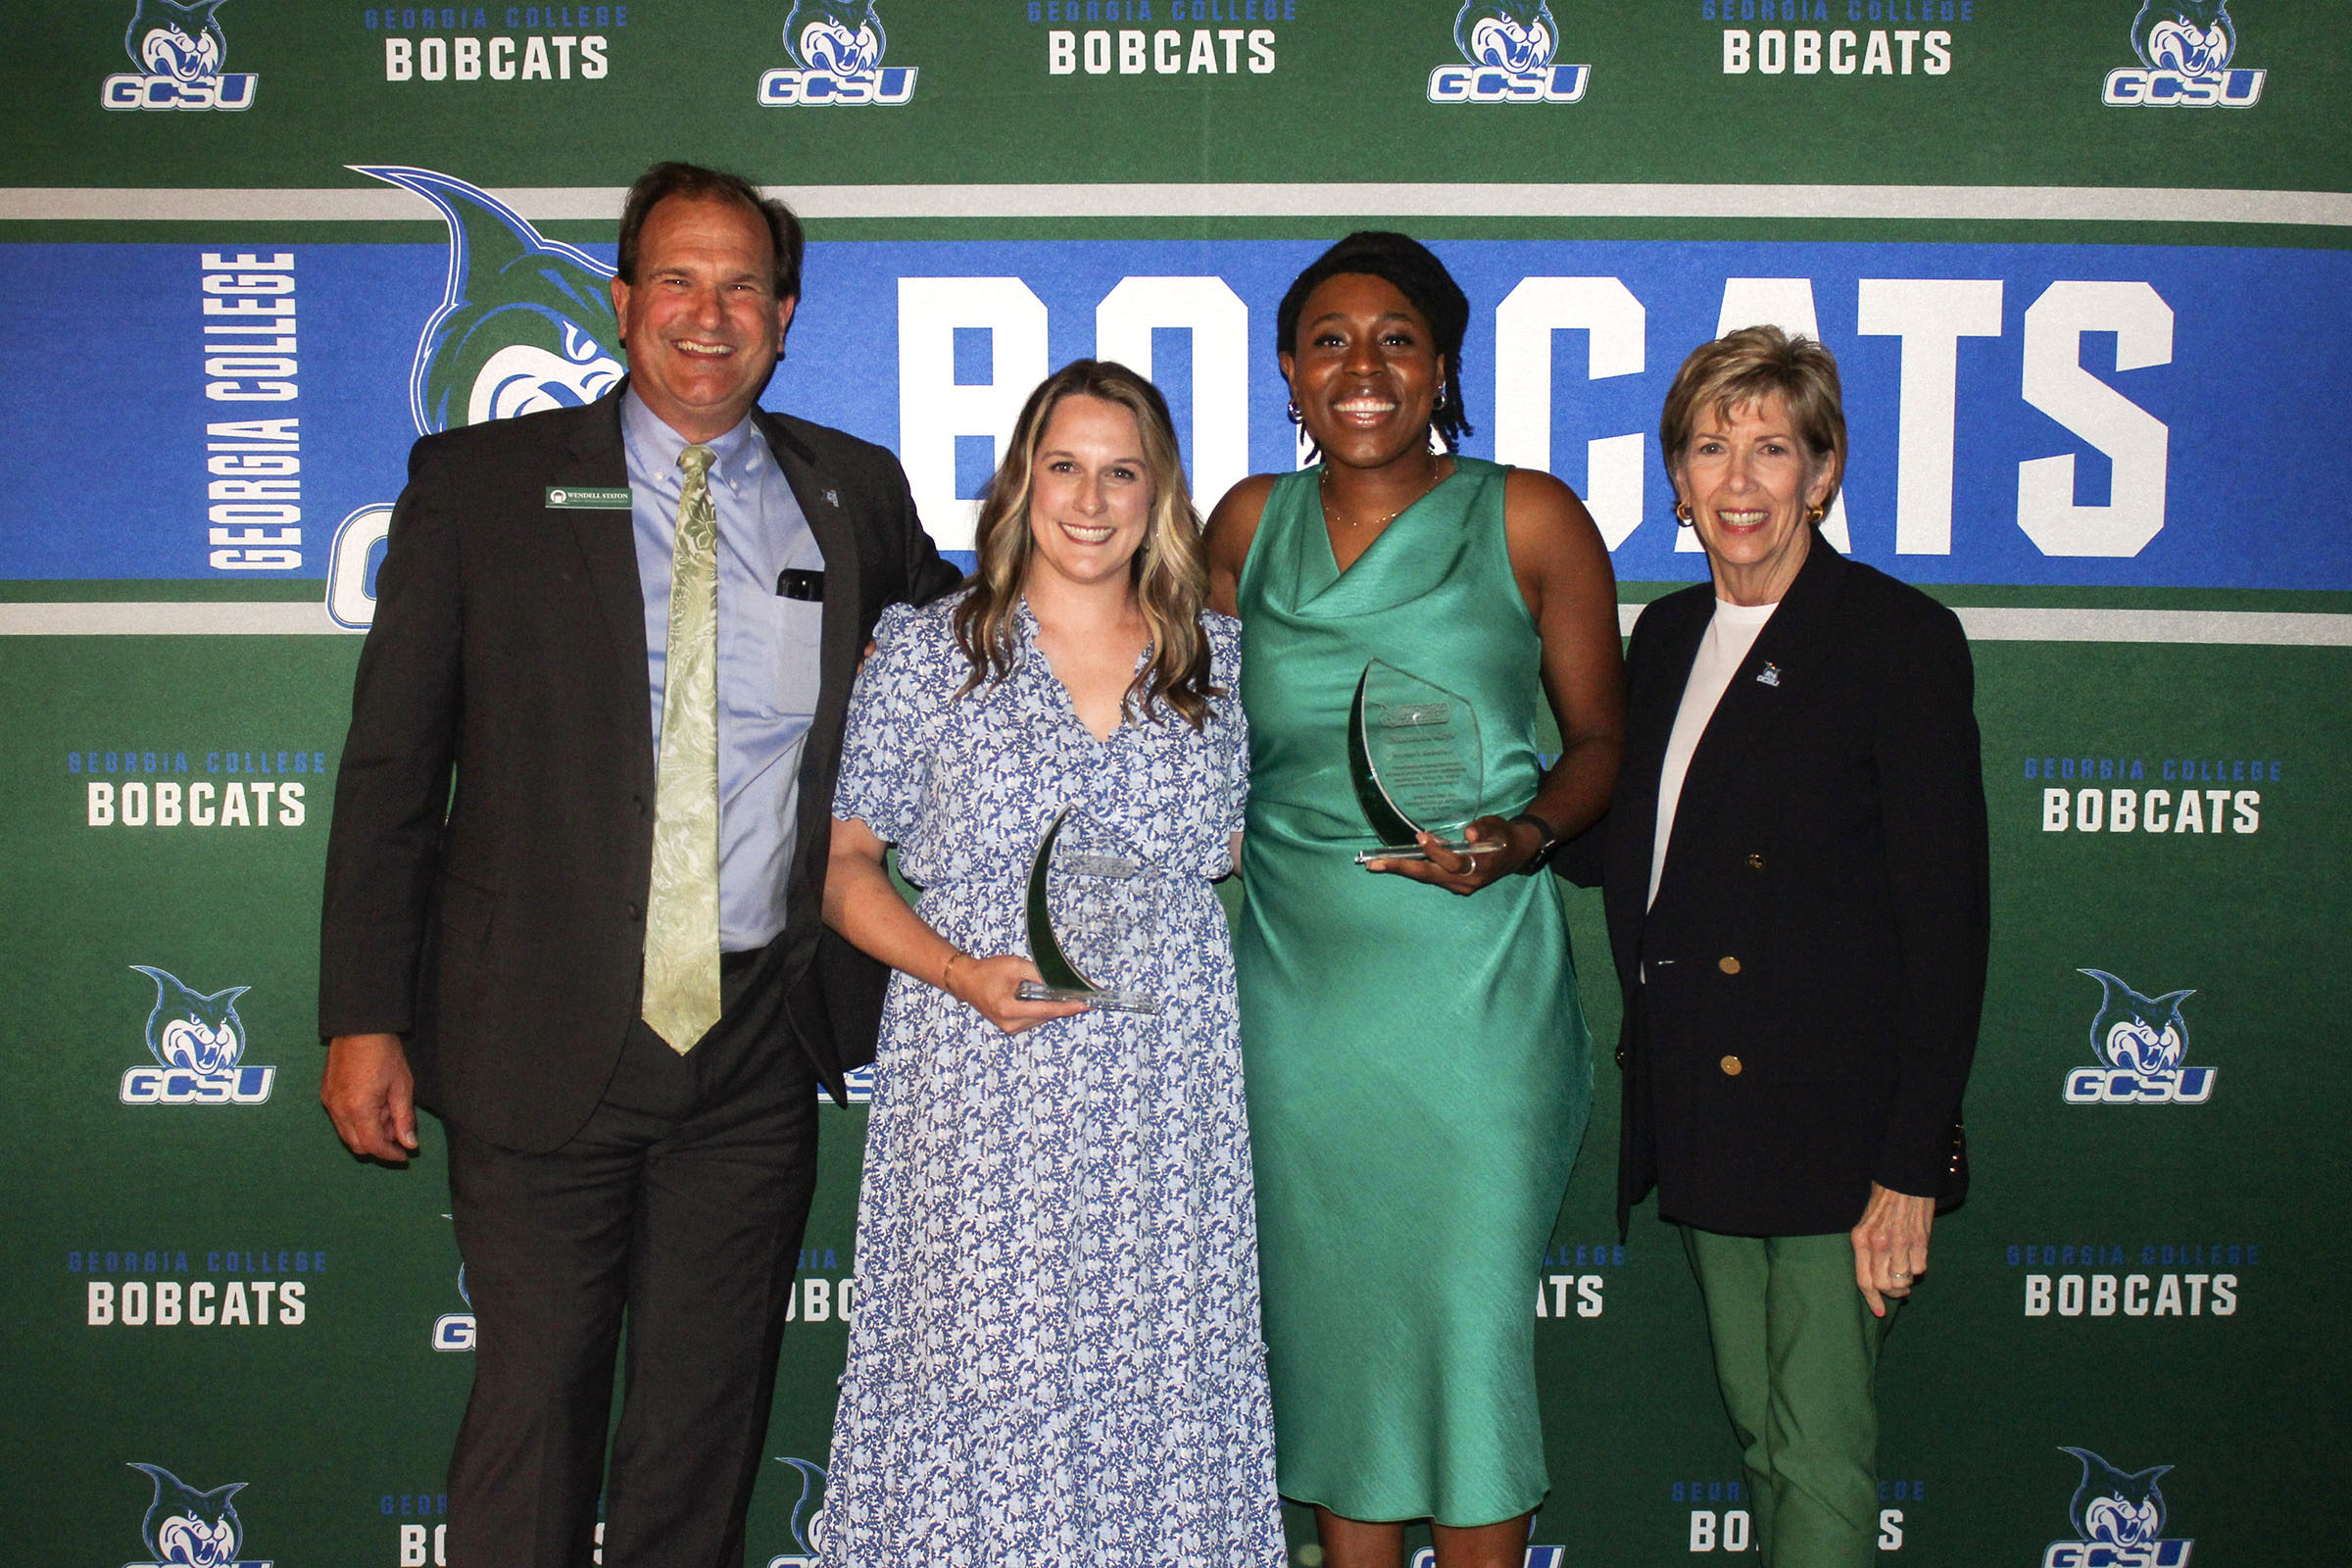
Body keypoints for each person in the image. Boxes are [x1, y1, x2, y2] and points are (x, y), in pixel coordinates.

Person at [316, 161, 958, 1568]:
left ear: (784, 317)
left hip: (756, 1039)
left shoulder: (853, 493)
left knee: (702, 1426)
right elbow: (391, 774)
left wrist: (1166, 626)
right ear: (621, 302)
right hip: (532, 1026)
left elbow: (981, 666)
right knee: (534, 1408)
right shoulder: (480, 484)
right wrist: (364, 1013)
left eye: (743, 286)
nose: (709, 313)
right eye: (678, 279)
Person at [1203, 232, 1626, 1568]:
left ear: (1443, 367)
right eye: (1330, 339)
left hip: (1472, 989)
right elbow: (1185, 734)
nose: (1364, 367)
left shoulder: (1530, 516)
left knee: (1463, 1322)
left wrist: (1525, 834)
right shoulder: (1244, 523)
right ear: (1289, 370)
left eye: (1398, 338)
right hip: (1292, 994)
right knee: (1335, 1330)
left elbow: (1604, 747)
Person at [819, 360, 1283, 1565]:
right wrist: (957, 967)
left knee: (1164, 1376)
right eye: (1063, 466)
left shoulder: (1216, 664)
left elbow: (1240, 849)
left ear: (1159, 494)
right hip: (979, 1088)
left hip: (1161, 1102)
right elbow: (844, 864)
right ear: (1021, 483)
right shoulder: (926, 651)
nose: (1090, 497)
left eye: (1121, 470)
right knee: (977, 1380)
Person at [1563, 326, 1985, 1567]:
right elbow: (1629, 843)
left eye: (1771, 448)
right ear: (1676, 480)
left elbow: (1948, 919)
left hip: (1838, 1131)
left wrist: (1911, 1160)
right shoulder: (1669, 636)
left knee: (1816, 1450)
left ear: (1823, 471)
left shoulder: (1894, 638)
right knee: (1762, 1436)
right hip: (1703, 1103)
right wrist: (1488, 824)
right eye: (1710, 447)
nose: (1739, 480)